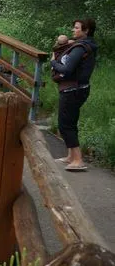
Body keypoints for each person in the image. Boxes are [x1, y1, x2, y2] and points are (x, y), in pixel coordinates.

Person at [51, 18, 97, 171]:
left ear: (86, 31)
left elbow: (67, 70)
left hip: (72, 89)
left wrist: (53, 63)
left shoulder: (80, 48)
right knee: (70, 121)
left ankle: (78, 160)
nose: (73, 30)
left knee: (65, 124)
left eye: (77, 28)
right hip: (79, 88)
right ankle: (71, 156)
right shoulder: (86, 45)